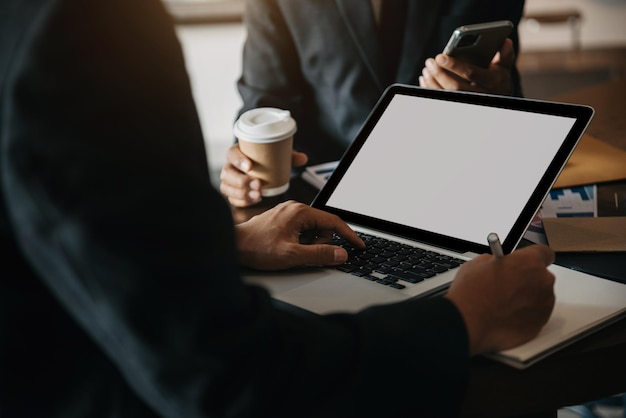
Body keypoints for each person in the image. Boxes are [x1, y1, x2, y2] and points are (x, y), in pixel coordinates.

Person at [0, 0, 555, 417]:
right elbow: (226, 377)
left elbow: (63, 237)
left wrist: (233, 242)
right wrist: (463, 322)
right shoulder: (77, 30)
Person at [220, 0, 526, 207]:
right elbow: (265, 97)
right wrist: (247, 162)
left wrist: (500, 91)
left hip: (457, 187)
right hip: (327, 201)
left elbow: (504, 78)